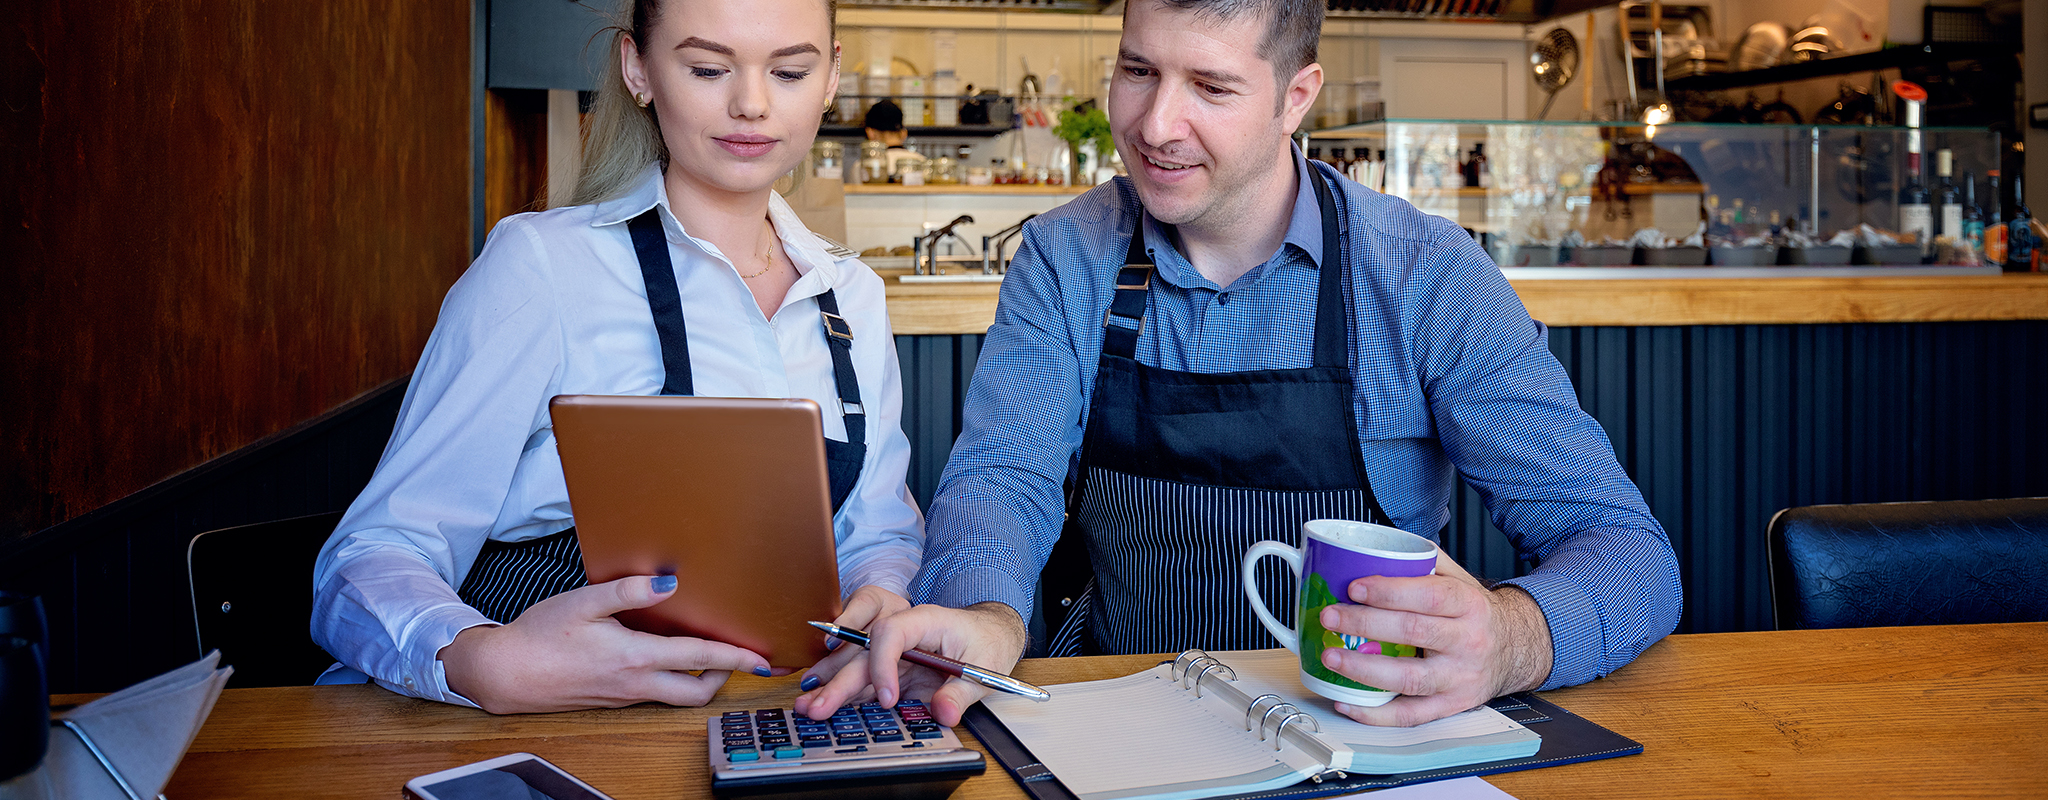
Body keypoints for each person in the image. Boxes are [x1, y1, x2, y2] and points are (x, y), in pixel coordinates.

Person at [797, 0, 1682, 729]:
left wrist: (1511, 637)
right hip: (1115, 721)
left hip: (1358, 738)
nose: (1153, 124)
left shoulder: (1426, 276)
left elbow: (1626, 553)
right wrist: (985, 616)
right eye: (1138, 70)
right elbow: (1003, 478)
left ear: (1296, 97)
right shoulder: (1068, 256)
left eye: (1211, 86)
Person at [311, 0, 922, 714]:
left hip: (771, 716)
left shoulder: (853, 297)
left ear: (831, 78)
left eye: (789, 71)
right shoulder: (540, 267)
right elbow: (370, 556)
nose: (751, 104)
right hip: (548, 728)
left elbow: (878, 529)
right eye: (707, 68)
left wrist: (881, 590)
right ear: (639, 69)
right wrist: (481, 661)